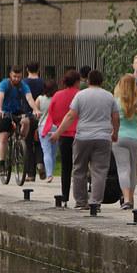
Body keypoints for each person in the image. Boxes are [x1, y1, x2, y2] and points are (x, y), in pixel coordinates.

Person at [49, 68, 120, 210]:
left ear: (87, 81)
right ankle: (95, 202)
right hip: (103, 138)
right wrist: (115, 133)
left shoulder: (80, 96)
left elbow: (70, 116)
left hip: (83, 137)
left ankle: (81, 202)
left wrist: (57, 133)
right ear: (102, 82)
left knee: (79, 169)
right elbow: (116, 117)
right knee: (99, 171)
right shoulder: (109, 96)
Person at [40, 69, 81, 204]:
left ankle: (65, 196)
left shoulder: (57, 95)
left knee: (65, 167)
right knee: (80, 167)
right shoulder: (80, 95)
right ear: (77, 82)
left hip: (63, 134)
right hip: (79, 134)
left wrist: (45, 131)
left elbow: (50, 115)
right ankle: (81, 197)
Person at [0, 65, 39, 174]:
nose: (16, 79)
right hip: (4, 112)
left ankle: (20, 140)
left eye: (19, 77)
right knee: (3, 139)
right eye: (14, 76)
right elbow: (0, 96)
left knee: (26, 120)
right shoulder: (4, 84)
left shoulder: (22, 85)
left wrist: (36, 110)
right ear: (10, 75)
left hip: (16, 110)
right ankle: (2, 164)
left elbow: (29, 98)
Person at [112, 73, 137, 209]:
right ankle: (131, 197)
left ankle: (126, 200)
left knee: (123, 168)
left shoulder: (116, 102)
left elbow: (111, 120)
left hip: (119, 137)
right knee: (132, 170)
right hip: (136, 138)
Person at [23, 60, 46, 180]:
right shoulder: (43, 83)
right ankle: (40, 163)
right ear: (38, 69)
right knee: (39, 143)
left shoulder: (23, 83)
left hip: (27, 116)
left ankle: (30, 173)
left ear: (27, 69)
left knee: (28, 143)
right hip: (41, 116)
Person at [36, 78, 59, 182]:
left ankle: (49, 174)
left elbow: (35, 113)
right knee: (53, 152)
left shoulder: (40, 99)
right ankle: (51, 172)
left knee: (46, 151)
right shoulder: (57, 99)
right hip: (55, 127)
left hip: (43, 127)